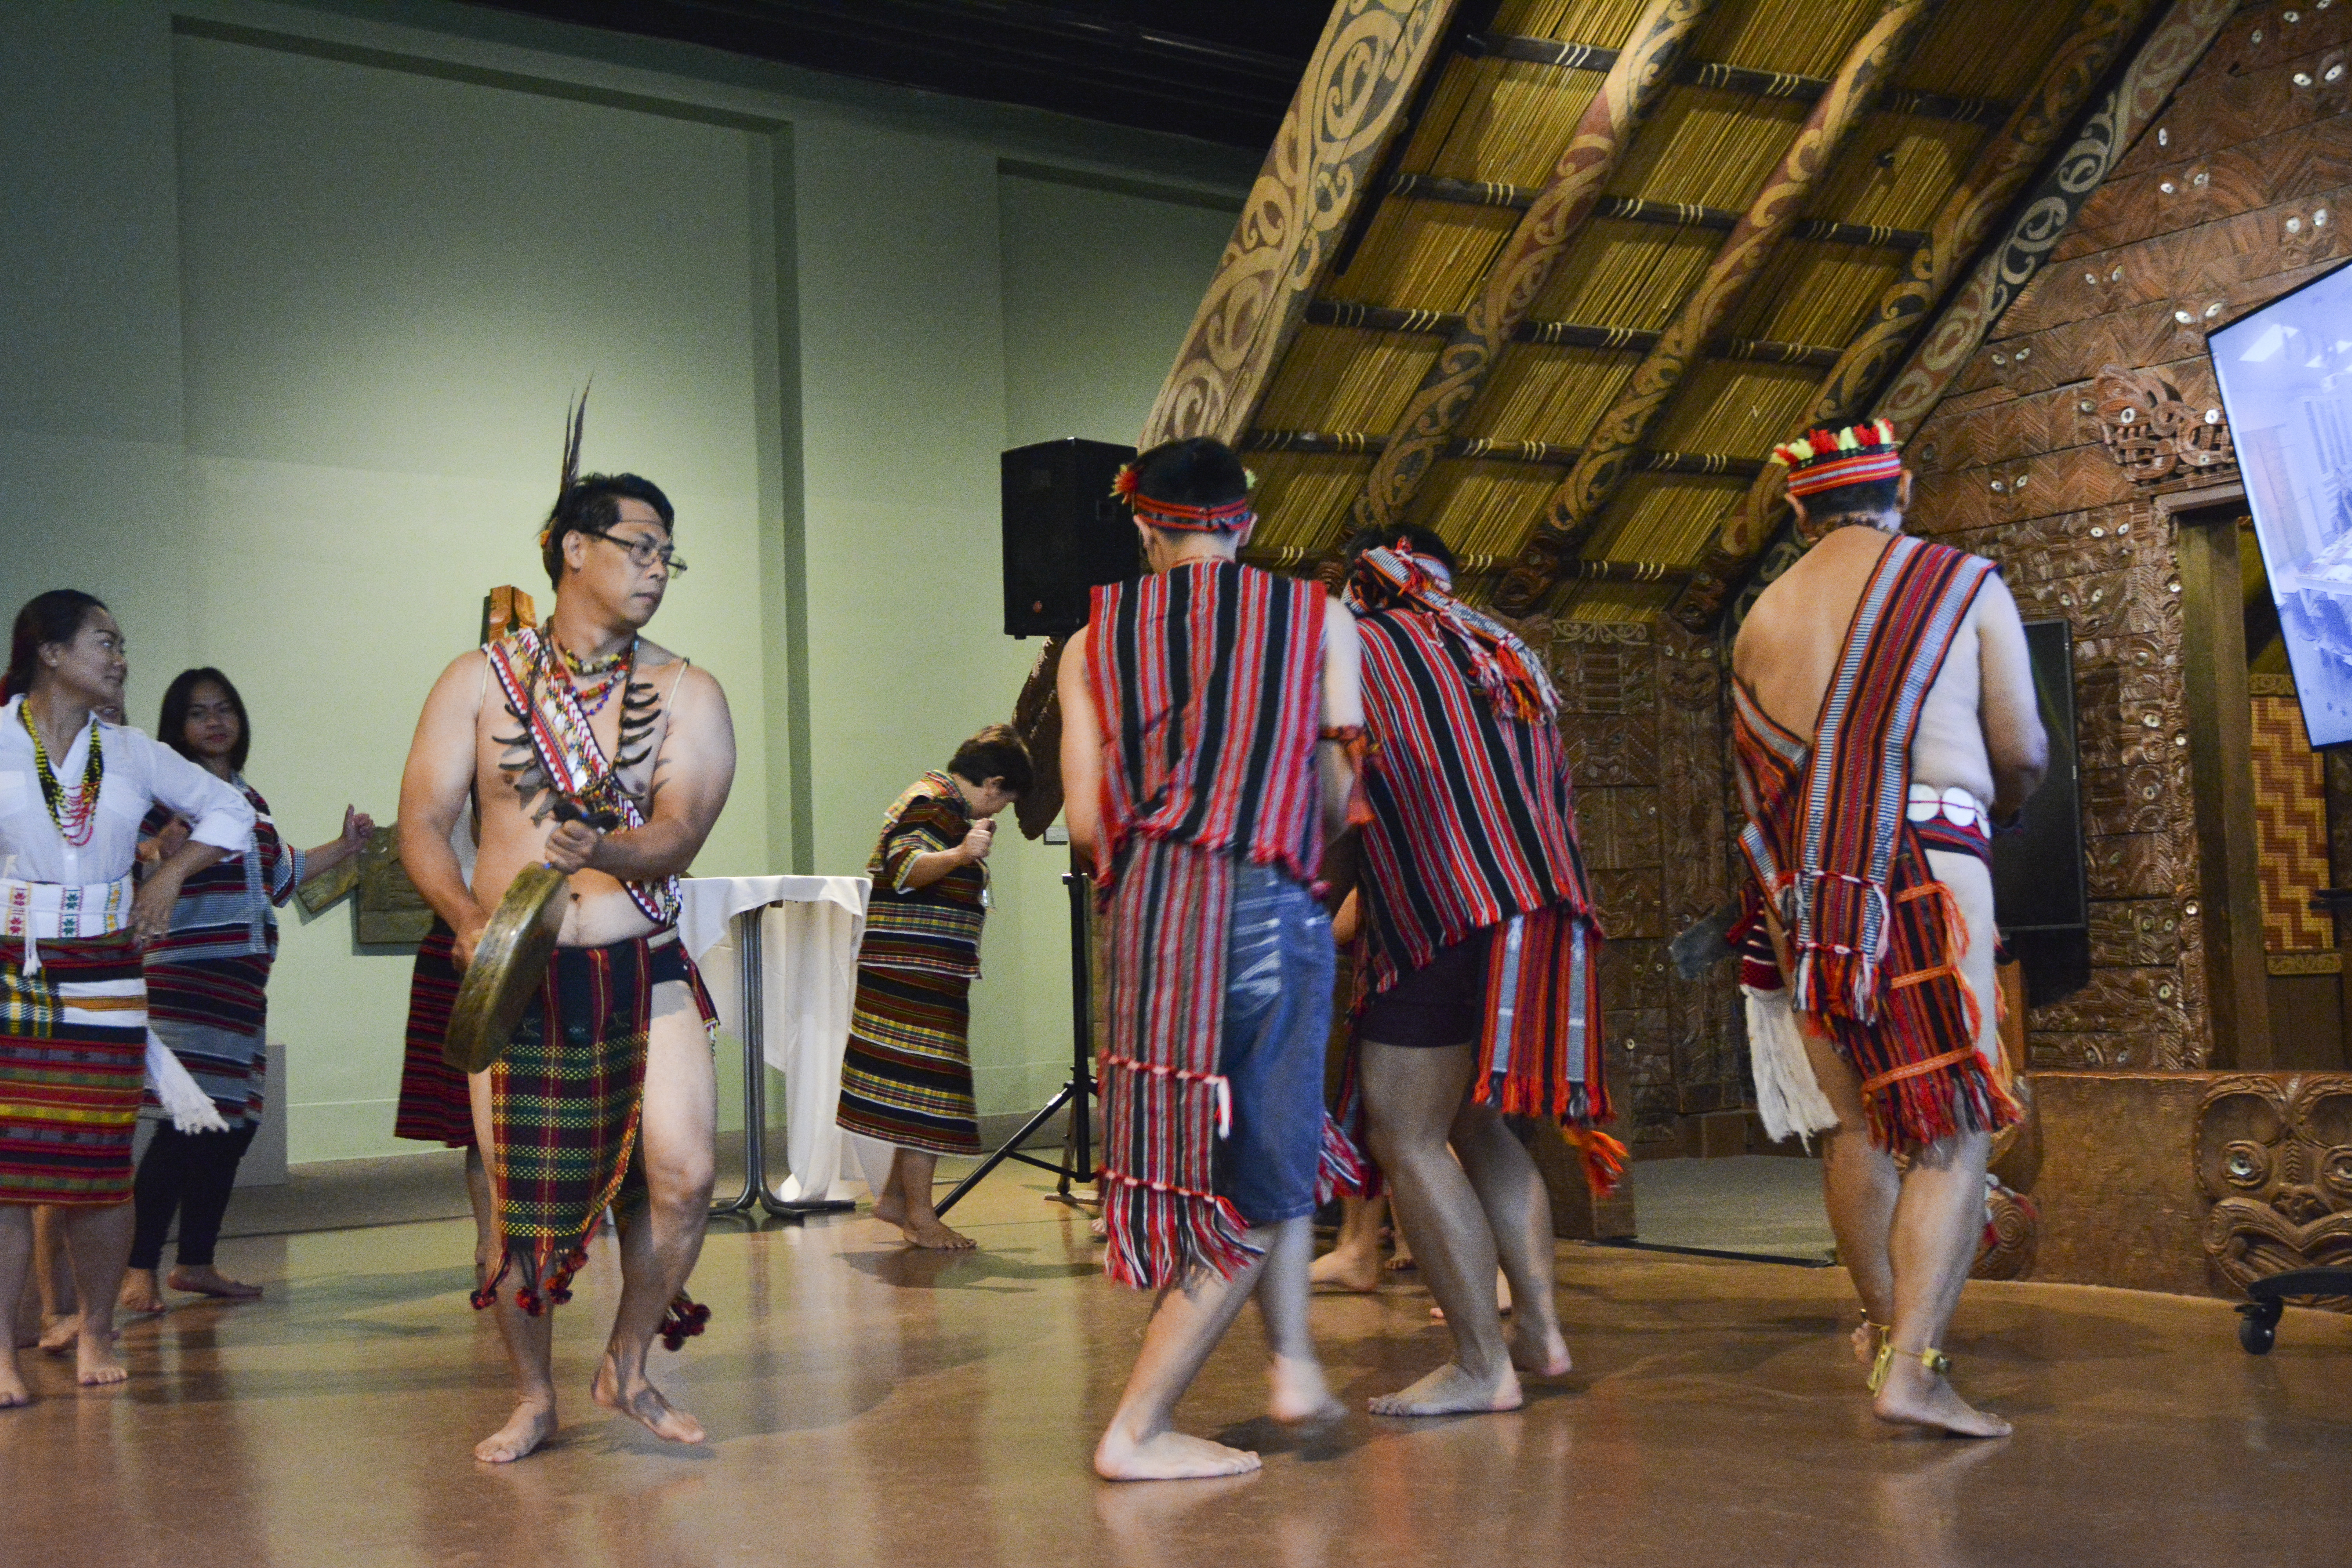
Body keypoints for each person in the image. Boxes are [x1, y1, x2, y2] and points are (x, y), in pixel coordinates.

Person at [397, 409, 736, 1463]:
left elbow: (677, 832)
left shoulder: (688, 692)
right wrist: (466, 923)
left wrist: (612, 848)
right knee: (516, 1206)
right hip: (521, 970)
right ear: (573, 550)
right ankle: (533, 1396)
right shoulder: (475, 681)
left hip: (644, 962)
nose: (659, 570)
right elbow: (420, 823)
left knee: (685, 1180)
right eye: (641, 548)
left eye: (670, 556)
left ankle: (628, 1365)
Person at [1058, 436, 1365, 1481]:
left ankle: (1293, 1367)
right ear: (1246, 523)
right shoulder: (1321, 618)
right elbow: (1332, 797)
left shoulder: (1088, 639)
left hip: (1146, 925)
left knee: (1230, 1150)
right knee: (1265, 1170)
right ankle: (1138, 1428)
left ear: (1145, 524)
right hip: (1264, 904)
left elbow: (1091, 826)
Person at [1731, 419, 2045, 1438]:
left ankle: (1882, 1329)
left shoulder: (1760, 618)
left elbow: (1757, 794)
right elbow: (2022, 748)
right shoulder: (1961, 583)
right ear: (1900, 487)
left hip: (1810, 902)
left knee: (1861, 1125)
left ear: (1796, 505)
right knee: (1954, 1132)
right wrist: (1994, 809)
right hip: (1931, 867)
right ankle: (1916, 1368)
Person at [1327, 524, 1612, 1415]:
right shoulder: (1497, 641)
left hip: (1444, 911)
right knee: (1482, 1127)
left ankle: (1481, 1365)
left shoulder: (1353, 648)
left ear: (1357, 582)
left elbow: (1346, 804)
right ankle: (1540, 1329)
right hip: (1541, 916)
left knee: (1406, 1133)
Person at [0, 591, 255, 1405]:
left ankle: (99, 1326)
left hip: (109, 973)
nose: (120, 658)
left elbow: (231, 811)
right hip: (15, 971)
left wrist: (171, 877)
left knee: (100, 1168)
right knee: (10, 1175)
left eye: (121, 644)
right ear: (48, 652)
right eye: (105, 642)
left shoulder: (135, 753)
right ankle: (2, 1346)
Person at [116, 669, 374, 1314]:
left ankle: (196, 1263)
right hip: (186, 978)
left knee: (232, 1128)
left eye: (224, 710)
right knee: (186, 1126)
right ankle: (138, 1269)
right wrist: (153, 851)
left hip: (242, 983)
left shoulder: (248, 800)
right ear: (176, 727)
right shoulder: (166, 796)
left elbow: (282, 876)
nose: (214, 722)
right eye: (198, 713)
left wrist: (346, 847)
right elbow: (124, 862)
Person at [837, 725, 1031, 1250]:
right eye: (1005, 802)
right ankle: (921, 1216)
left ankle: (898, 1200)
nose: (999, 813)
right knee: (928, 1093)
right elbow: (904, 868)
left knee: (921, 1088)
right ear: (992, 784)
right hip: (912, 974)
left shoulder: (934, 799)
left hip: (920, 971)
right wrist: (962, 855)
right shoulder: (936, 807)